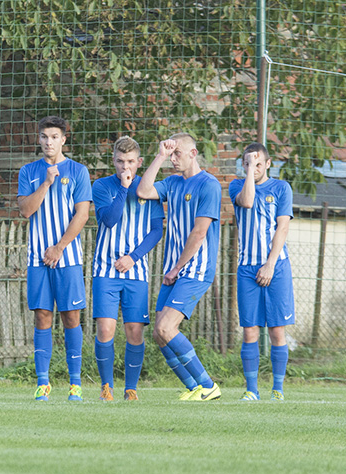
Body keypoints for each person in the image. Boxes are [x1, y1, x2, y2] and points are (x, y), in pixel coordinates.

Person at [136, 133, 222, 401]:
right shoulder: (171, 183)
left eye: (177, 154)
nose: (173, 159)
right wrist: (159, 156)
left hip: (195, 269)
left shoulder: (209, 185)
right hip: (174, 271)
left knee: (165, 329)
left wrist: (175, 268)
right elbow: (143, 190)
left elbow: (198, 233)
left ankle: (208, 385)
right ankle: (193, 386)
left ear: (194, 153)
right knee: (159, 334)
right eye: (170, 154)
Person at [17, 116, 92, 401]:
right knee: (42, 316)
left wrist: (59, 247)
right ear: (39, 139)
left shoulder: (78, 171)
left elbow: (82, 214)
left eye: (54, 137)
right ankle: (43, 382)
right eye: (44, 136)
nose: (49, 142)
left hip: (68, 257)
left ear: (64, 139)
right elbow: (25, 210)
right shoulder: (29, 171)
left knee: (71, 317)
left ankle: (75, 383)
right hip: (38, 259)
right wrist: (47, 183)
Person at [91, 136, 164, 401]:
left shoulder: (150, 190)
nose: (126, 167)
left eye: (131, 162)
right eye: (120, 162)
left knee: (134, 331)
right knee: (105, 329)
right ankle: (106, 387)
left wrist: (133, 257)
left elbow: (157, 231)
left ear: (140, 162)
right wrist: (123, 188)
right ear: (113, 160)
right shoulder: (101, 186)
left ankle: (131, 388)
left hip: (136, 272)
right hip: (105, 270)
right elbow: (109, 220)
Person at [230, 143, 294, 401]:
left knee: (277, 330)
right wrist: (248, 173)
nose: (253, 168)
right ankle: (251, 390)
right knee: (250, 331)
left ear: (268, 164)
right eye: (247, 164)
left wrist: (269, 264)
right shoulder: (237, 186)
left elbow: (282, 228)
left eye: (258, 164)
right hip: (247, 268)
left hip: (276, 267)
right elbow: (246, 202)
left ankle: (277, 390)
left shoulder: (281, 188)